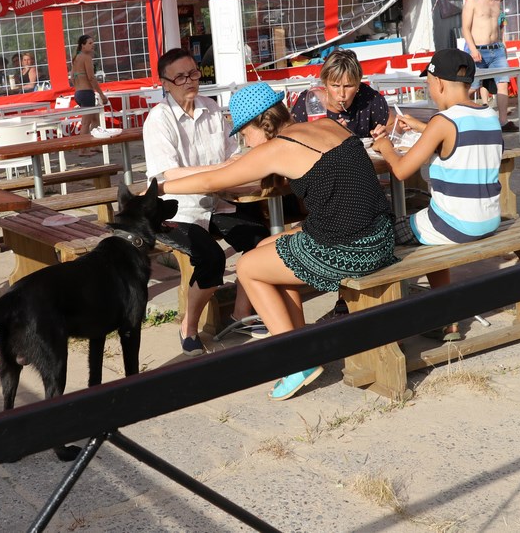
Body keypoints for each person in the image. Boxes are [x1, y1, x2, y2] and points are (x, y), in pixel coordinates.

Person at [160, 79, 398, 400]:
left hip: (352, 248)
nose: (245, 142)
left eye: (244, 134)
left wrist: (159, 189)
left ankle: (295, 362)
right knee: (266, 249)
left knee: (247, 267)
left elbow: (211, 181)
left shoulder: (278, 147)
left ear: (261, 123)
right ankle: (301, 345)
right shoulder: (327, 125)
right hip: (381, 235)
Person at [143, 48, 272, 356]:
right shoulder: (158, 119)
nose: (190, 81)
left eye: (193, 73)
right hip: (175, 208)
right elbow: (169, 173)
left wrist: (233, 167)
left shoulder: (211, 108)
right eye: (180, 77)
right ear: (165, 84)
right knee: (211, 259)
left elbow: (232, 156)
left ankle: (241, 314)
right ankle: (188, 326)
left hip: (218, 200)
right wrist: (220, 170)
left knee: (260, 240)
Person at [371, 48, 502, 341]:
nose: (429, 90)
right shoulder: (489, 114)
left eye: (428, 83)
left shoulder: (443, 121)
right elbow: (459, 135)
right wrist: (422, 127)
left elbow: (401, 170)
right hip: (489, 219)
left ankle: (430, 318)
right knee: (429, 223)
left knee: (380, 233)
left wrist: (385, 147)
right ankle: (444, 316)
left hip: (453, 225)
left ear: (439, 83)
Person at [462, 0, 517, 132]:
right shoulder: (472, 1)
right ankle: (452, 111)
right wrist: (473, 49)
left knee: (503, 84)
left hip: (496, 50)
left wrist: (502, 45)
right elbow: (465, 29)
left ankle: (503, 121)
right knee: (473, 86)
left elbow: (497, 28)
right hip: (478, 50)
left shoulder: (497, 3)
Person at [290, 49, 389, 137]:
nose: (342, 94)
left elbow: (391, 124)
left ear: (358, 85)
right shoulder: (309, 101)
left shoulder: (369, 98)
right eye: (335, 86)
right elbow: (291, 138)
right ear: (325, 83)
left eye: (348, 86)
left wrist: (385, 131)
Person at [71, 34, 106, 156]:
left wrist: (78, 87)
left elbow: (72, 77)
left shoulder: (76, 57)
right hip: (86, 93)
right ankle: (82, 149)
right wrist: (101, 94)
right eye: (90, 43)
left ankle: (94, 144)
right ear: (83, 45)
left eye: (93, 43)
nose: (92, 45)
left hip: (79, 93)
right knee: (86, 123)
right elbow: (91, 78)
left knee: (95, 119)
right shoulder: (86, 57)